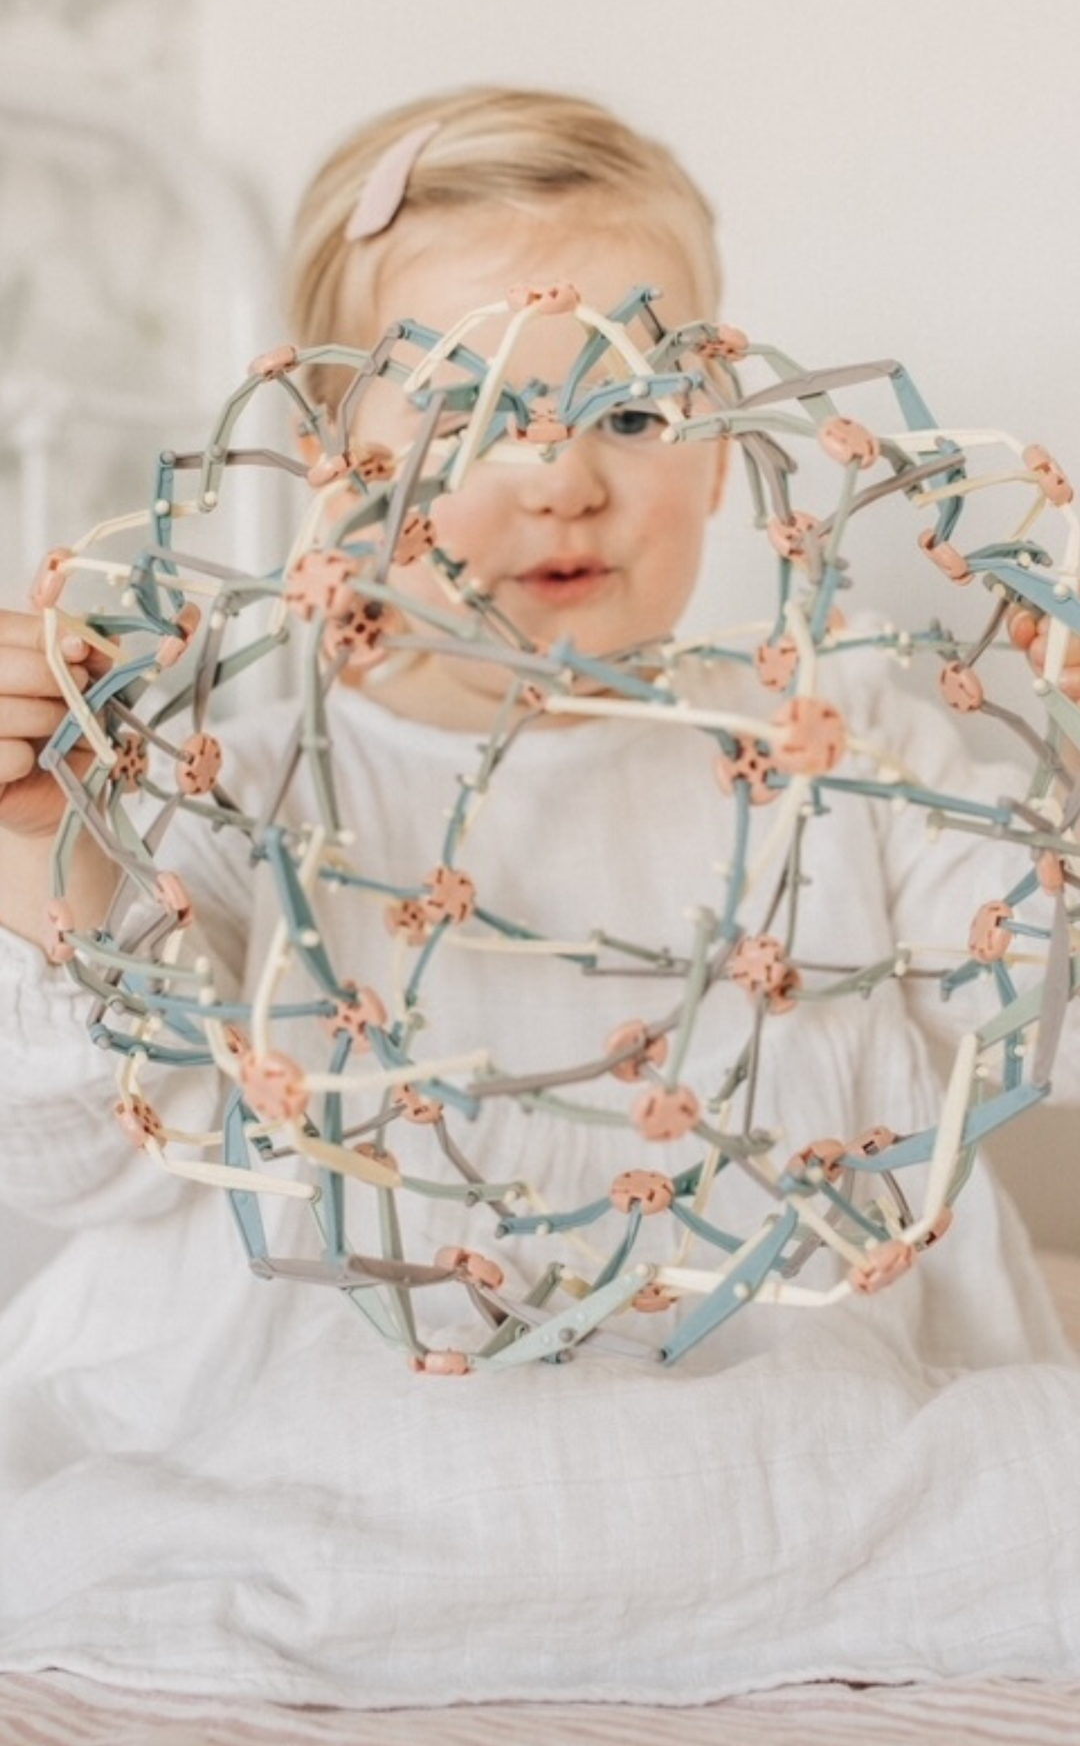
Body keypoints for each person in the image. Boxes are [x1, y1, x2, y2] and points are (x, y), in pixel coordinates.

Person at [0, 85, 1078, 1708]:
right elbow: (81, 1151)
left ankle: (609, 1573)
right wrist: (51, 858)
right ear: (323, 462)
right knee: (301, 1499)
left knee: (1015, 1471)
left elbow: (1036, 998)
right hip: (357, 1428)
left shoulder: (852, 741)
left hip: (808, 1415)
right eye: (466, 413)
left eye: (635, 416)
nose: (561, 477)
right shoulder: (228, 764)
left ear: (727, 456)